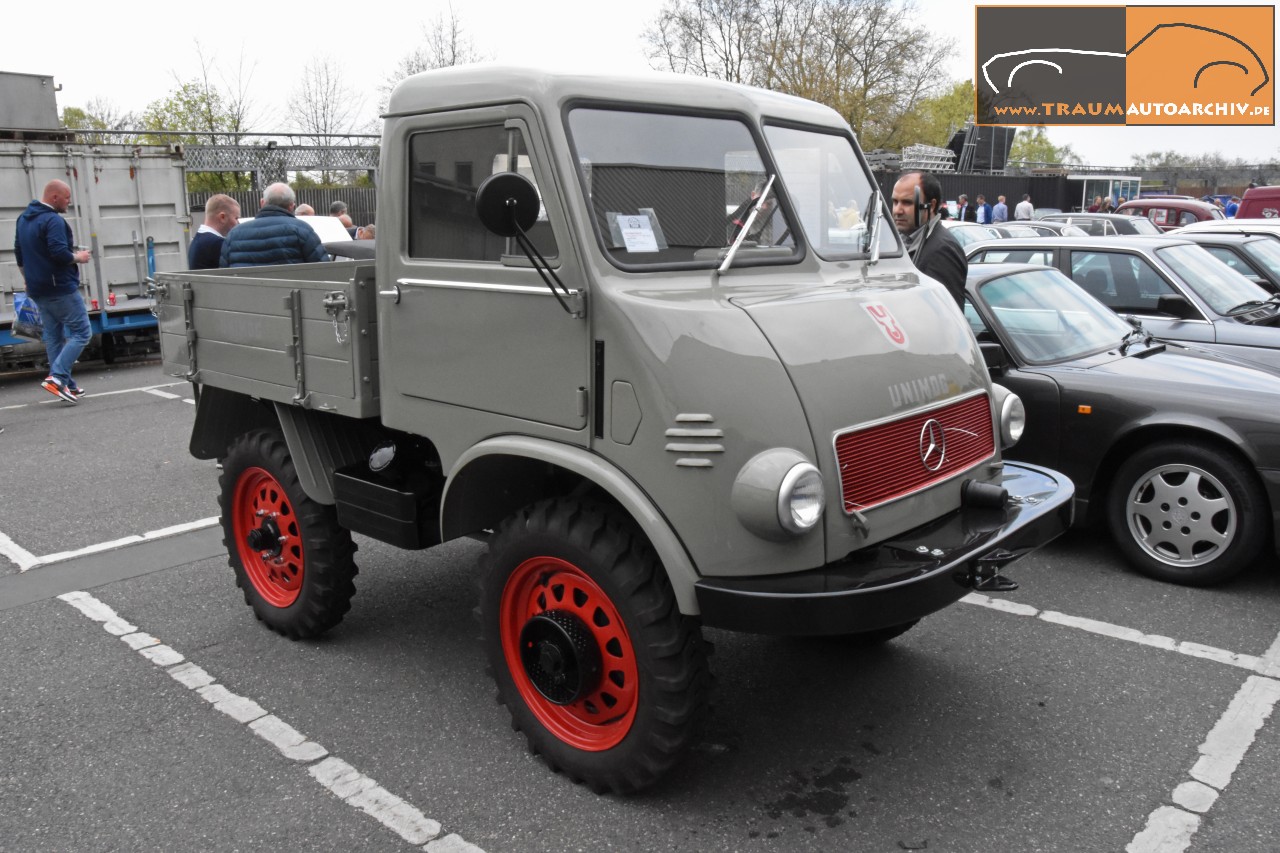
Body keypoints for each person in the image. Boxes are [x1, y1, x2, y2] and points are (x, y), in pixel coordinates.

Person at [13, 180, 93, 403]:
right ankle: (57, 378)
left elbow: (19, 254)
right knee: (82, 332)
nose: (69, 202)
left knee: (54, 337)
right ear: (55, 197)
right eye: (67, 198)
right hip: (60, 287)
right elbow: (59, 253)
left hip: (38, 288)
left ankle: (66, 385)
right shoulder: (53, 220)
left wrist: (27, 279)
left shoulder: (23, 219)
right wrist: (80, 257)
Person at [891, 170, 967, 309]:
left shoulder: (942, 250)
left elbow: (948, 315)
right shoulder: (904, 242)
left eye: (907, 202)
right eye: (895, 202)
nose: (897, 210)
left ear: (931, 206)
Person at [220, 182, 328, 267]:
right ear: (291, 206)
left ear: (262, 202)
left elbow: (224, 273)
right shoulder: (302, 230)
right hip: (292, 293)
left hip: (245, 294)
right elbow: (323, 268)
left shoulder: (233, 234)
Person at [188, 194, 241, 270]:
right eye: (236, 218)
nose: (238, 223)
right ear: (222, 217)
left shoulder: (197, 240)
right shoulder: (217, 243)